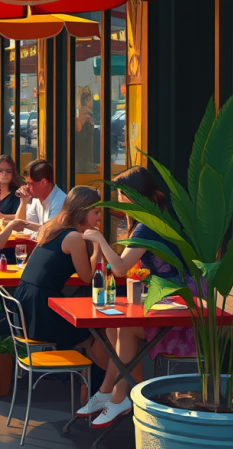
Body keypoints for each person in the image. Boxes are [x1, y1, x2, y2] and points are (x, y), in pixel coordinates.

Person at [79, 167, 192, 427]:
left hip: (176, 304)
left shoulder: (146, 226)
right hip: (168, 298)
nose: (118, 198)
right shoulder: (154, 218)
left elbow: (119, 268)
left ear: (134, 194)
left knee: (124, 329)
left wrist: (99, 239)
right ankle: (125, 396)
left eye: (121, 192)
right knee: (114, 326)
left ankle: (119, 397)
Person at [11, 187, 106, 354]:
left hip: (25, 306)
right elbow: (87, 278)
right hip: (42, 313)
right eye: (96, 212)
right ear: (83, 212)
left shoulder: (52, 228)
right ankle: (109, 378)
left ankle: (85, 377)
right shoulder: (74, 237)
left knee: (90, 329)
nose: (99, 218)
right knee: (95, 331)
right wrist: (98, 246)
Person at [16, 159, 66, 236]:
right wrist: (23, 202)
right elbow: (20, 228)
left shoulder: (61, 201)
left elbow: (50, 233)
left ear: (43, 182)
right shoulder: (37, 199)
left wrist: (25, 226)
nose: (26, 187)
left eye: (30, 184)